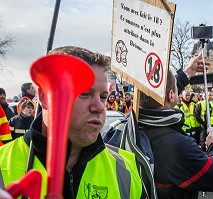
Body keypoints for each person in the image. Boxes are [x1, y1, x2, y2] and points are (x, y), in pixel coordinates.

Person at [0, 46, 145, 199]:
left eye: (103, 97)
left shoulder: (125, 168)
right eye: (84, 93)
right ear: (44, 97)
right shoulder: (3, 165)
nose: (99, 107)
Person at [138, 54, 213, 199]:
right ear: (171, 95)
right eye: (176, 88)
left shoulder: (129, 126)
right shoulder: (177, 145)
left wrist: (187, 73)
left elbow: (168, 90)